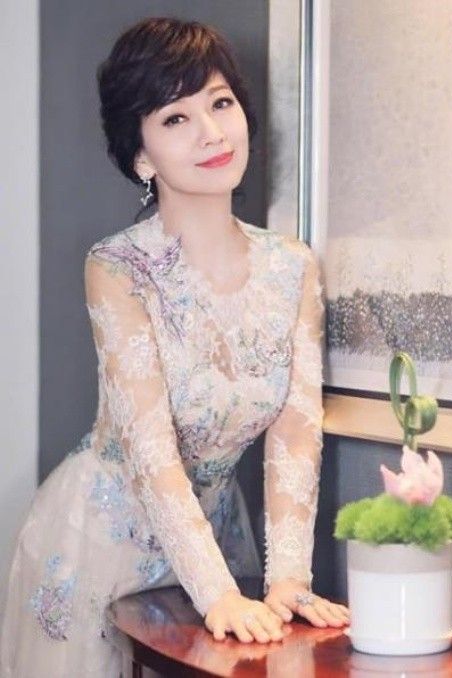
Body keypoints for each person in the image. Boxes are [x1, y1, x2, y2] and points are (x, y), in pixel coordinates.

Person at [0, 16, 349, 676]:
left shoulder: (292, 265)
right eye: (176, 118)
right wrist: (216, 594)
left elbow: (296, 432)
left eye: (221, 103)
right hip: (99, 548)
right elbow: (150, 448)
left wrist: (288, 580)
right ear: (141, 155)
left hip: (220, 544)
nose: (212, 132)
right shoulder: (118, 268)